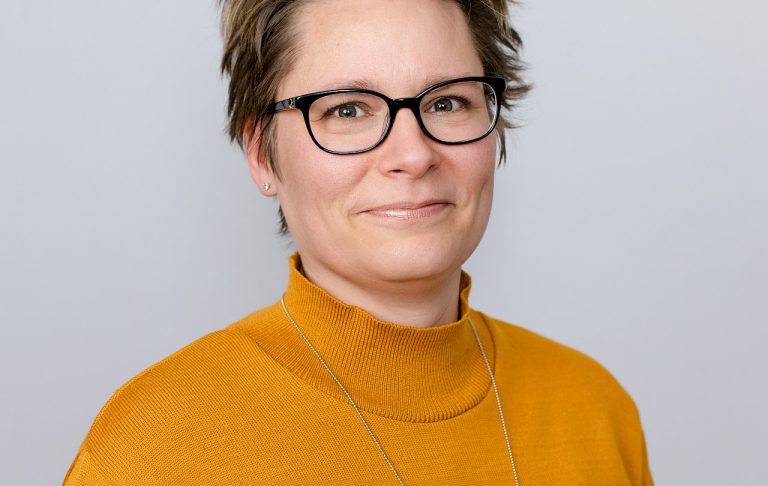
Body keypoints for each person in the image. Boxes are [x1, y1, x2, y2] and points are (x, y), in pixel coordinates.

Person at [63, 0, 653, 484]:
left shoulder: (595, 409)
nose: (413, 155)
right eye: (347, 110)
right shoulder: (155, 446)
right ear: (262, 154)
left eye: (447, 102)